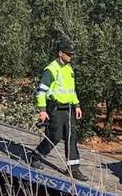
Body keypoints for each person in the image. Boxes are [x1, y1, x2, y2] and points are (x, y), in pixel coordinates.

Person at [29, 39, 86, 180]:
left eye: (72, 54)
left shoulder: (69, 68)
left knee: (71, 136)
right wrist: (42, 110)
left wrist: (77, 105)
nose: (71, 56)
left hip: (68, 108)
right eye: (68, 54)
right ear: (60, 53)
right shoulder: (51, 69)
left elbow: (71, 90)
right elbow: (41, 91)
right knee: (54, 136)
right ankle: (36, 156)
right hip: (55, 109)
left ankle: (73, 169)